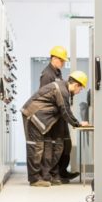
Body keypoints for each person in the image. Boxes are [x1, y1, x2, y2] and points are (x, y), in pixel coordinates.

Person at [21, 71, 89, 187]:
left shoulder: (63, 89)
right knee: (36, 147)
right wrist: (78, 124)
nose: (80, 92)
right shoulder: (62, 91)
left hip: (41, 119)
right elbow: (65, 111)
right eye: (81, 89)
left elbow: (64, 111)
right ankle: (34, 179)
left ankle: (44, 176)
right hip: (33, 116)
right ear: (76, 85)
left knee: (45, 147)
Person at [40, 46, 79, 184]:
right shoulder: (47, 75)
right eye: (61, 61)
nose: (63, 64)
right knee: (56, 145)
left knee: (65, 145)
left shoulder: (57, 73)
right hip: (53, 116)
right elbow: (45, 96)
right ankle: (53, 174)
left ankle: (62, 172)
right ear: (54, 59)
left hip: (60, 114)